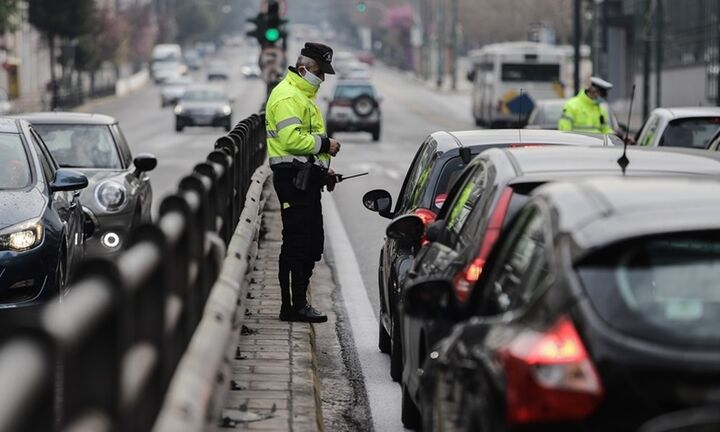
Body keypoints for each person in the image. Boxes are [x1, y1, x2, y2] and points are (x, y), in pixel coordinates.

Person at [265, 42, 341, 323]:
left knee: (312, 243)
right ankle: (292, 307)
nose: (322, 80)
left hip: (306, 181)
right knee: (296, 243)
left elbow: (305, 151)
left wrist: (324, 174)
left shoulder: (302, 96)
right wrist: (326, 143)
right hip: (291, 182)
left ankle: (300, 302)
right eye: (320, 73)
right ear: (303, 69)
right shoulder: (287, 97)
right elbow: (291, 141)